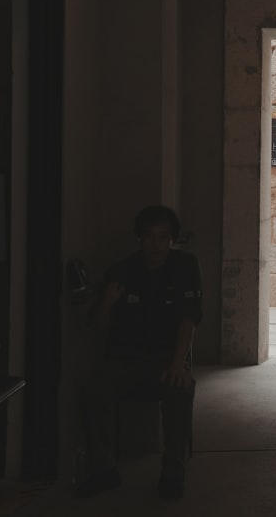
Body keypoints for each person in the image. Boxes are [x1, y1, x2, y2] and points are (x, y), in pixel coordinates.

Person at [76, 205, 202, 500]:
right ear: (139, 239)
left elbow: (189, 319)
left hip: (165, 358)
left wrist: (177, 364)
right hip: (124, 359)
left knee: (180, 391)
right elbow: (97, 326)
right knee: (94, 391)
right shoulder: (123, 270)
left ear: (171, 239)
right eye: (149, 237)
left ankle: (173, 474)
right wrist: (107, 302)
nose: (155, 244)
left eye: (162, 237)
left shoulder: (184, 266)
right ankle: (104, 471)